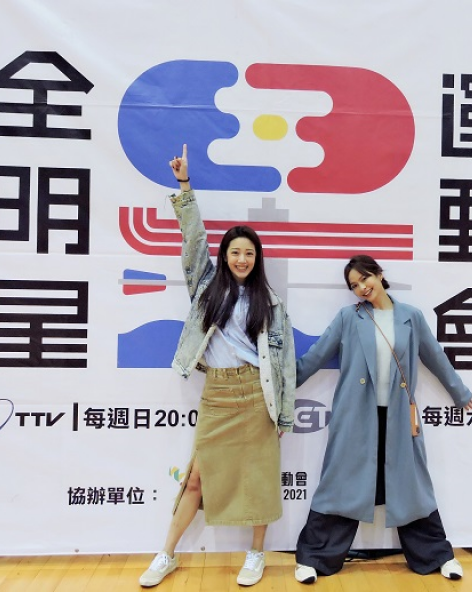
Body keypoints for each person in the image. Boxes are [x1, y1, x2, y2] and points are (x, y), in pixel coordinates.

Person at [139, 145, 296, 588]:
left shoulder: (272, 304)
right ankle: (166, 554)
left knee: (259, 482)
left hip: (258, 397)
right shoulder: (207, 287)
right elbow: (193, 241)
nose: (242, 259)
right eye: (235, 252)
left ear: (257, 258)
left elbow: (284, 363)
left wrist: (284, 414)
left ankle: (256, 555)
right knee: (196, 480)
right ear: (225, 255)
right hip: (219, 395)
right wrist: (185, 186)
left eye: (249, 253)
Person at [292, 255, 472, 584]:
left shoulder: (411, 317)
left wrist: (460, 393)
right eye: (354, 285)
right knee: (340, 484)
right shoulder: (348, 318)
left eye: (365, 278)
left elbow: (435, 357)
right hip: (355, 416)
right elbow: (316, 356)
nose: (362, 288)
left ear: (378, 274)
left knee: (410, 485)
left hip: (399, 418)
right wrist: (278, 386)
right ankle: (313, 557)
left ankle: (438, 556)